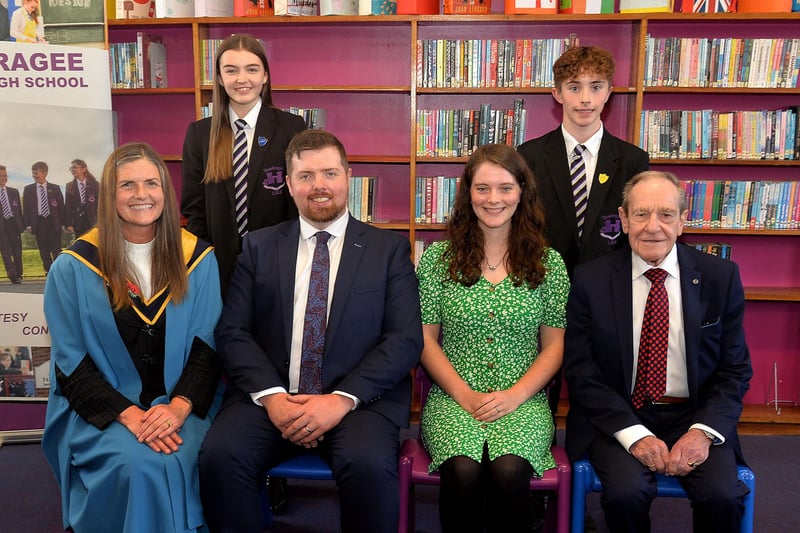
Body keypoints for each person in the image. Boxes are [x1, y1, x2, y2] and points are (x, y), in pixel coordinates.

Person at [199, 129, 423, 533]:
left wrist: (340, 400)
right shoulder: (259, 247)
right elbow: (233, 331)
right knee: (220, 457)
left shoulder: (387, 250)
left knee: (369, 465)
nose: (319, 186)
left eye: (329, 174)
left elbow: (404, 339)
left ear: (348, 176)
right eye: (306, 176)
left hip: (358, 404)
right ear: (288, 184)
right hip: (270, 399)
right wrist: (272, 398)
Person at [41, 142, 224, 533]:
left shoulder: (199, 259)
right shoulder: (72, 268)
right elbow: (70, 362)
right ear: (109, 195)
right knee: (139, 464)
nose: (141, 195)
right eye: (127, 185)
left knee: (182, 456)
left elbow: (206, 347)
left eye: (151, 183)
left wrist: (177, 408)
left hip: (183, 403)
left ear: (165, 191)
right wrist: (132, 417)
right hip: (103, 409)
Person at [563, 170, 752, 532]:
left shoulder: (719, 277)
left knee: (722, 495)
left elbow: (735, 370)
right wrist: (635, 435)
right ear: (622, 219)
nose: (653, 226)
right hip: (620, 414)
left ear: (683, 221)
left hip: (694, 415)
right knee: (625, 493)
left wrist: (702, 433)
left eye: (666, 215)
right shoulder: (591, 279)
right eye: (641, 214)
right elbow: (581, 369)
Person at [416, 144, 570, 533]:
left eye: (505, 188)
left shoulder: (548, 264)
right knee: (463, 471)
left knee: (507, 471)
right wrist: (465, 397)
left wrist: (515, 396)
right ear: (468, 193)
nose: (494, 199)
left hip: (522, 399)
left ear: (522, 192)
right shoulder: (438, 259)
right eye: (482, 188)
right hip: (453, 397)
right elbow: (424, 340)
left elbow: (554, 347)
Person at [517, 46, 651, 459]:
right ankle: (536, 476)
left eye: (596, 87)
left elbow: (640, 232)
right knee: (539, 393)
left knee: (597, 391)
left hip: (605, 296)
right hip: (540, 293)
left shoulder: (631, 159)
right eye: (574, 88)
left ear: (610, 92)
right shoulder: (529, 155)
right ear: (557, 94)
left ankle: (582, 486)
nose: (585, 99)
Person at [181, 32, 306, 297]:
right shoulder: (199, 134)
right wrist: (208, 259)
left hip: (277, 264)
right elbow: (194, 208)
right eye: (231, 70)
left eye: (251, 69)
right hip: (218, 269)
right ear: (218, 77)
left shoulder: (291, 128)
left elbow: (299, 204)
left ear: (265, 75)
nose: (241, 79)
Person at [23, 161, 64, 274]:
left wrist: (64, 223)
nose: (34, 176)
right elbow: (26, 209)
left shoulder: (55, 188)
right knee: (44, 250)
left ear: (45, 173)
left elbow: (61, 207)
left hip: (53, 222)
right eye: (33, 173)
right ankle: (49, 271)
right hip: (38, 223)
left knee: (56, 249)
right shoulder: (28, 189)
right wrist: (28, 224)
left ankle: (58, 271)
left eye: (37, 173)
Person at [0, 164, 24, 284]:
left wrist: (23, 225)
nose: (4, 178)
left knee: (17, 251)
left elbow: (19, 210)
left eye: (5, 175)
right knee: (5, 252)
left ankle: (19, 273)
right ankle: (12, 274)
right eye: (1, 176)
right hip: (1, 226)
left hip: (14, 225)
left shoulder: (13, 192)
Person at [64, 158, 100, 238]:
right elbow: (68, 207)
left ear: (84, 169)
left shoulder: (95, 185)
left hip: (93, 222)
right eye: (71, 168)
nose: (72, 170)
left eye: (75, 167)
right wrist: (69, 224)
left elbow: (101, 205)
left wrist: (99, 221)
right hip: (78, 223)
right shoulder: (70, 186)